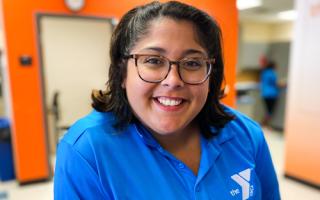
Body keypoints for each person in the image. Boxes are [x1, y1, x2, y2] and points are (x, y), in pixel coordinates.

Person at [54, 1, 280, 199]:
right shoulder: (87, 151)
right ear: (122, 72)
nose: (173, 81)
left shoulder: (246, 136)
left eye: (192, 63)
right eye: (153, 60)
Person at [260, 60, 280, 127]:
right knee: (270, 111)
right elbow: (276, 83)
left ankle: (265, 124)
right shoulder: (272, 73)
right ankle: (264, 124)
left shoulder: (264, 73)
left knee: (267, 111)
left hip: (264, 93)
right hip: (271, 94)